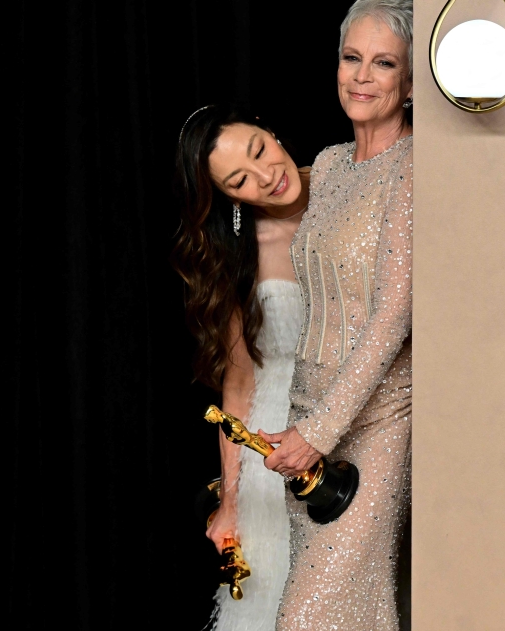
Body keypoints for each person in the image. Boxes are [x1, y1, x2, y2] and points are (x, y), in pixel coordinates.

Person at [259, 0, 414, 631]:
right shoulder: (326, 165)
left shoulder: (416, 169)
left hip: (373, 426)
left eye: (382, 63)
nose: (362, 75)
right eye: (353, 57)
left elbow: (393, 318)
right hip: (303, 418)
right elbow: (255, 206)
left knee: (305, 618)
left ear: (408, 84)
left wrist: (320, 433)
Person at [174, 105, 309, 630]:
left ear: (271, 130)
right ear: (230, 197)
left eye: (259, 150)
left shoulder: (351, 183)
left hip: (363, 421)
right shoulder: (239, 255)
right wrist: (231, 502)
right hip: (271, 450)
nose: (266, 176)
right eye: (240, 181)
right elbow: (238, 384)